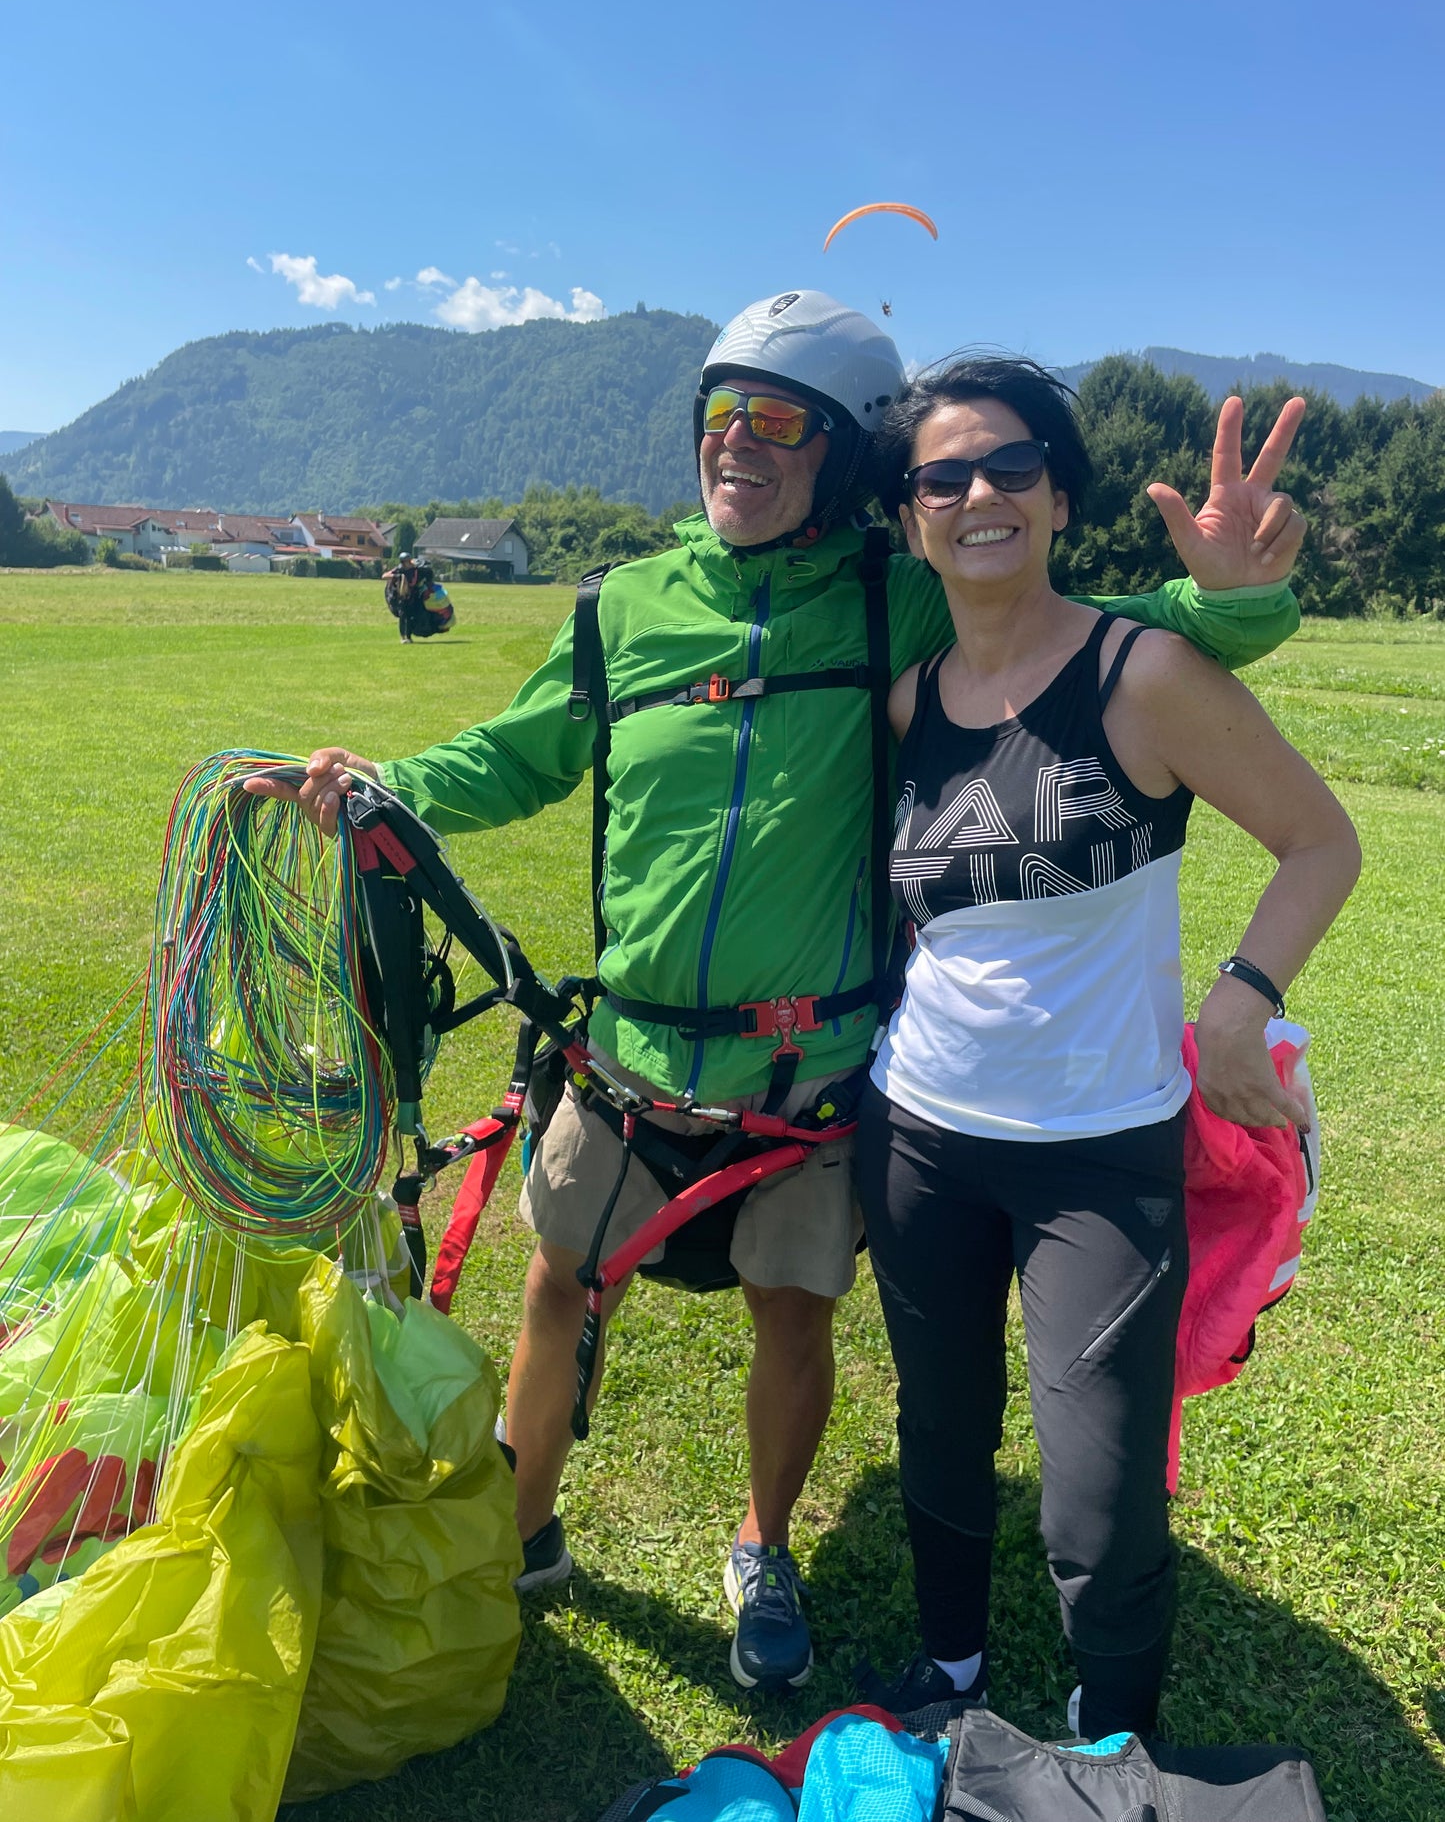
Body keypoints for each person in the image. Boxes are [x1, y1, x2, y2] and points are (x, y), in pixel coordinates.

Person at [245, 294, 1307, 1694]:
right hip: (624, 1056)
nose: (738, 446)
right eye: (720, 416)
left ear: (852, 459)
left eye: (781, 421)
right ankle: (521, 1534)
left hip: (815, 1071)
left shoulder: (897, 589)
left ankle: (763, 1545)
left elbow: (1105, 628)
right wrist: (388, 790)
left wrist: (1235, 592)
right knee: (560, 1285)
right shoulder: (625, 605)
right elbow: (519, 753)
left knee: (789, 1310)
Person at [852, 357, 1360, 1738]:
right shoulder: (901, 707)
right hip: (916, 1137)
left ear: (1059, 498)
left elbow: (1320, 840)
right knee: (941, 1434)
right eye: (941, 478)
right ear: (909, 521)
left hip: (1100, 1155)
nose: (977, 496)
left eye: (1009, 467)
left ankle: (1111, 1736)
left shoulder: (1141, 673)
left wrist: (1238, 997)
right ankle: (948, 1667)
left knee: (1098, 1484)